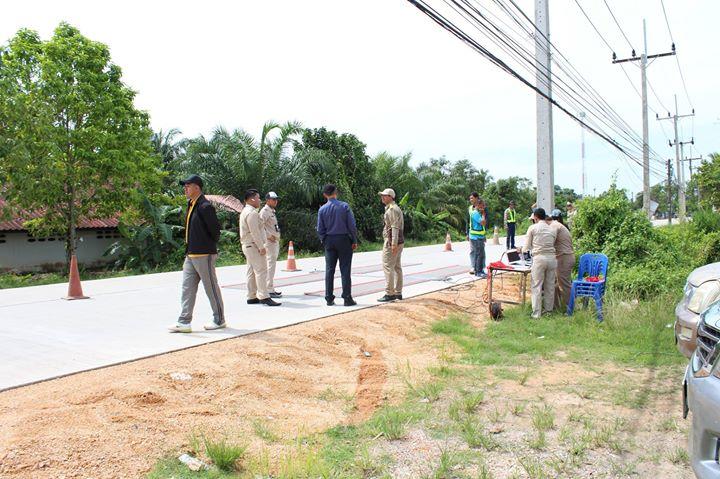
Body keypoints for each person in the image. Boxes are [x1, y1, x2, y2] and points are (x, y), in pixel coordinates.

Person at [169, 174, 226, 333]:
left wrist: (206, 246)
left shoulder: (205, 206)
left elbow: (215, 231)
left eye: (188, 186)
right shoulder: (191, 204)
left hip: (204, 254)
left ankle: (219, 319)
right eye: (185, 186)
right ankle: (184, 322)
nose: (185, 189)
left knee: (210, 288)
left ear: (197, 187)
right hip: (191, 254)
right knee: (187, 288)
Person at [316, 184, 358, 306]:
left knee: (329, 270)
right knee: (345, 269)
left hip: (329, 240)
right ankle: (347, 298)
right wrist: (354, 240)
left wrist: (324, 240)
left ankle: (329, 298)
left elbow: (320, 229)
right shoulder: (344, 206)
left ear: (325, 195)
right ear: (336, 193)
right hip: (344, 240)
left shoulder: (322, 209)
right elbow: (352, 226)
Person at [240, 189, 281, 307]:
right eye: (258, 198)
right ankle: (264, 296)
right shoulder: (252, 213)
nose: (259, 200)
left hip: (249, 245)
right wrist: (261, 247)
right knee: (261, 270)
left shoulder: (246, 211)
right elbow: (255, 232)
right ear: (252, 199)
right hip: (253, 245)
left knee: (251, 271)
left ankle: (251, 296)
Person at [524, 207, 558, 319]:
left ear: (535, 217)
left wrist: (523, 251)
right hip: (552, 258)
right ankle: (548, 311)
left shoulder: (532, 228)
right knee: (550, 286)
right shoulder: (552, 229)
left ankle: (536, 314)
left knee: (536, 286)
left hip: (539, 258)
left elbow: (526, 247)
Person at [377, 188, 404, 302]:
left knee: (388, 266)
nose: (382, 197)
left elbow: (394, 227)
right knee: (397, 266)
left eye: (384, 195)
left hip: (392, 241)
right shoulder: (393, 208)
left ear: (390, 197)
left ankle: (390, 293)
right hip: (398, 241)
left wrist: (393, 244)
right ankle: (398, 292)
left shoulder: (392, 209)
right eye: (382, 195)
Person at [549, 209, 575, 311]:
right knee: (554, 283)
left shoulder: (555, 225)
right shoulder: (561, 226)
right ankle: (556, 307)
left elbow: (549, 241)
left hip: (564, 257)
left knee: (564, 284)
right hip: (564, 257)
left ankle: (570, 309)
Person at [259, 191, 282, 298]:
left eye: (276, 199)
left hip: (274, 241)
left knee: (272, 265)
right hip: (269, 242)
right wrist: (268, 236)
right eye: (273, 199)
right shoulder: (264, 211)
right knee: (270, 265)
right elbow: (260, 226)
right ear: (267, 200)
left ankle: (270, 288)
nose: (275, 201)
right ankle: (268, 289)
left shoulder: (271, 211)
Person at [467, 192, 488, 278]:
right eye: (482, 206)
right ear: (478, 205)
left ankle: (479, 270)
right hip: (476, 237)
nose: (483, 207)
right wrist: (483, 214)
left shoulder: (478, 212)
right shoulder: (475, 213)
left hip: (479, 236)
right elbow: (483, 222)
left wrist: (484, 235)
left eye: (484, 206)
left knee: (480, 254)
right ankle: (478, 271)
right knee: (478, 254)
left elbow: (484, 225)